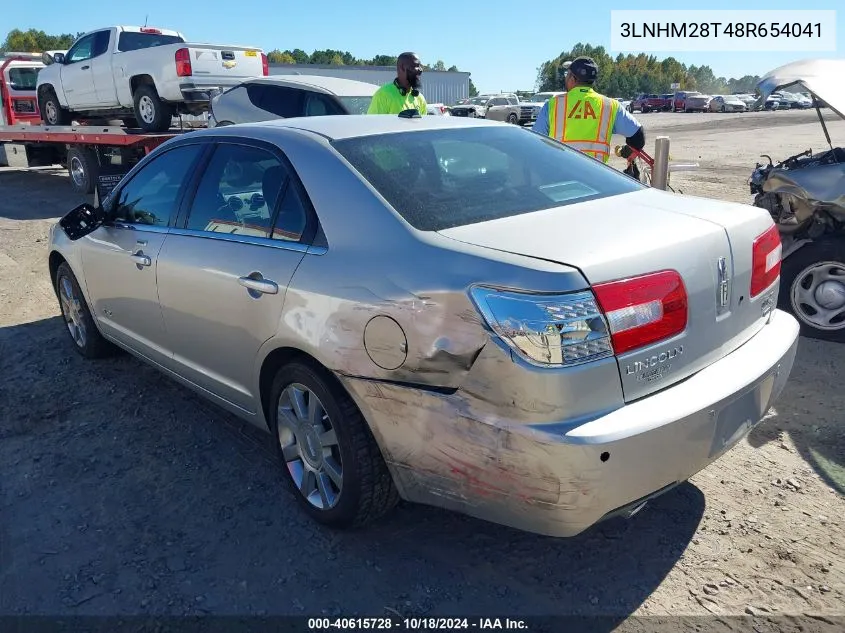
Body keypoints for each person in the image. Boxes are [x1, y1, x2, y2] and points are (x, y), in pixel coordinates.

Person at [532, 57, 645, 164]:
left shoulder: (552, 105)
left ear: (572, 78)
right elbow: (638, 136)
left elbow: (535, 143)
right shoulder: (610, 105)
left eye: (567, 74)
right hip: (595, 179)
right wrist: (628, 151)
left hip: (560, 176)